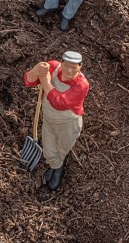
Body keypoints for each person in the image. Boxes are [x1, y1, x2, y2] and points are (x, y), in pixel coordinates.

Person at [24, 51, 89, 190]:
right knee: (48, 151)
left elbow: (59, 102)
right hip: (48, 119)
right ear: (61, 63)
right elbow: (28, 81)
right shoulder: (53, 67)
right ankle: (55, 165)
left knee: (62, 149)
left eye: (74, 67)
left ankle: (58, 169)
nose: (69, 71)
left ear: (80, 67)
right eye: (66, 66)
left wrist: (46, 82)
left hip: (68, 123)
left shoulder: (82, 84)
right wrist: (36, 71)